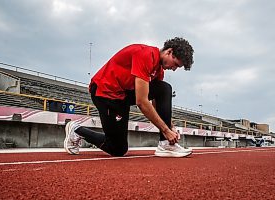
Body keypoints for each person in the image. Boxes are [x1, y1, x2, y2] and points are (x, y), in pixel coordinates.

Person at [64, 37, 194, 157]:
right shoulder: (146, 55)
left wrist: (170, 127)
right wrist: (165, 131)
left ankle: (165, 145)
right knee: (118, 149)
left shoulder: (159, 71)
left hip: (123, 94)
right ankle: (76, 130)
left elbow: (156, 103)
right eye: (176, 64)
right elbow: (141, 102)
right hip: (105, 92)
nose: (175, 69)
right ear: (169, 52)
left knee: (164, 88)